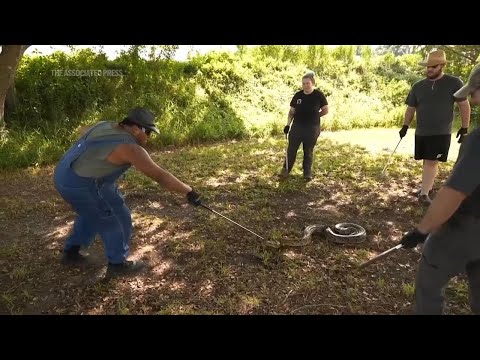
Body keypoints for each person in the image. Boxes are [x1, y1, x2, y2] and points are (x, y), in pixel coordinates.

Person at [53, 107, 202, 277]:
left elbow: (83, 131)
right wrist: (189, 191)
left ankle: (72, 251)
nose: (148, 137)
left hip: (71, 174)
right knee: (109, 218)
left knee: (118, 212)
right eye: (148, 132)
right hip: (79, 183)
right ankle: (117, 265)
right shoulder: (131, 149)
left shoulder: (106, 125)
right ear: (136, 128)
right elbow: (160, 176)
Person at [399, 63, 480, 315]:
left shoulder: (478, 141)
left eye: (474, 92)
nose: (472, 99)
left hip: (467, 226)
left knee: (429, 282)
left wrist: (422, 230)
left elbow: (455, 192)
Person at [399, 49, 471, 205]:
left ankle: (424, 194)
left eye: (434, 66)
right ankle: (428, 187)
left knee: (432, 161)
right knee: (427, 160)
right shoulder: (418, 86)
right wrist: (405, 125)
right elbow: (411, 108)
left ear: (442, 66)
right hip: (422, 131)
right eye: (428, 66)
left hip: (441, 131)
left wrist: (464, 127)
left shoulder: (454, 82)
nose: (430, 69)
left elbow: (463, 104)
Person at [279, 72, 329, 181]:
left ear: (312, 83)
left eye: (307, 83)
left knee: (308, 150)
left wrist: (316, 116)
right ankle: (285, 170)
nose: (305, 85)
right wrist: (288, 124)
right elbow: (292, 111)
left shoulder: (318, 95)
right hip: (297, 127)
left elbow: (325, 110)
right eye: (303, 83)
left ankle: (307, 173)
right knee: (291, 149)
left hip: (312, 128)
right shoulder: (298, 95)